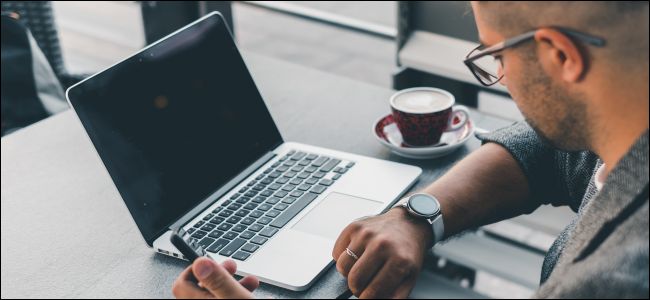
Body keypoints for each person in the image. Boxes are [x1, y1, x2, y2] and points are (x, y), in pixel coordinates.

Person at [172, 1, 649, 298]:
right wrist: (417, 218)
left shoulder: (616, 281)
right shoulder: (624, 130)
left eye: (496, 55)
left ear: (561, 55)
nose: (500, 77)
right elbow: (554, 152)